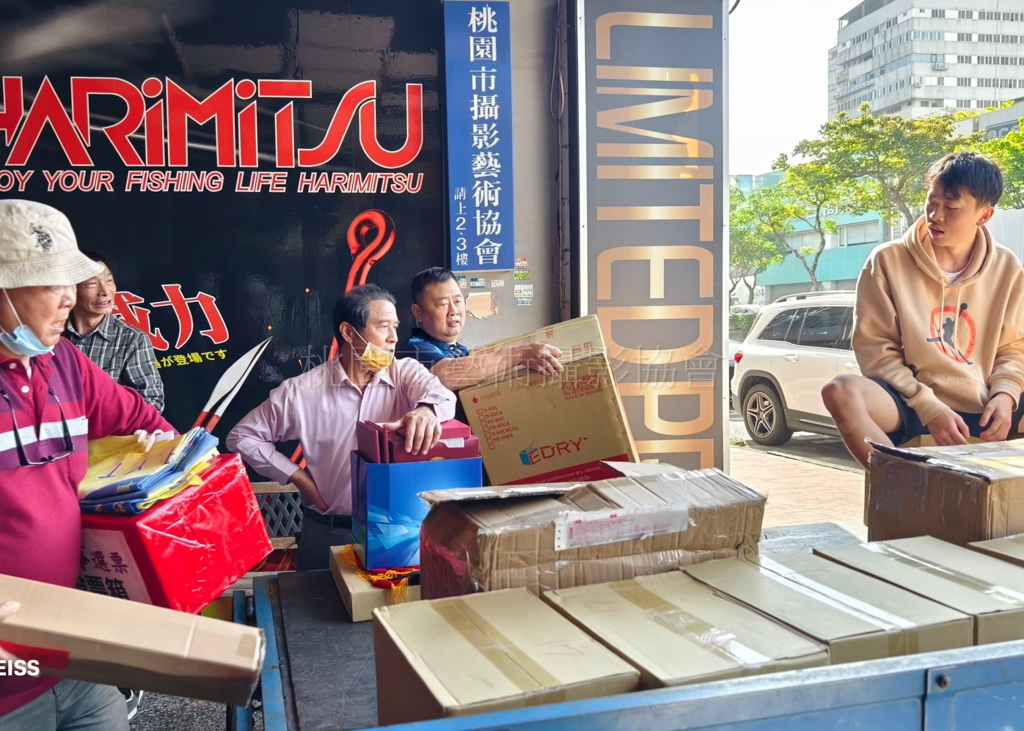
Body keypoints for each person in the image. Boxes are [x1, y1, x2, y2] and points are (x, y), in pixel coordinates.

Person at [0, 200, 173, 731]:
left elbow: (150, 426)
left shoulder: (64, 363)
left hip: (72, 653)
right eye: (50, 282)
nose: (70, 298)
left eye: (70, 281)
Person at [227, 284, 455, 570]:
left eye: (395, 327)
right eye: (383, 326)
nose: (393, 338)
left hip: (400, 533)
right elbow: (242, 437)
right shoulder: (302, 391)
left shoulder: (405, 373)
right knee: (318, 597)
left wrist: (426, 410)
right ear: (348, 332)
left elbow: (443, 397)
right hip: (329, 531)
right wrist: (298, 477)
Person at [822, 152, 1024, 470]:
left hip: (985, 398)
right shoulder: (887, 260)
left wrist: (1006, 395)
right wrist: (929, 406)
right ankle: (899, 486)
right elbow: (876, 352)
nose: (935, 215)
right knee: (841, 391)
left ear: (984, 215)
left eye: (951, 207)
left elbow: (1013, 347)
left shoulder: (1007, 266)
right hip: (912, 400)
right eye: (931, 202)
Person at [399, 267, 563, 390]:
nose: (454, 311)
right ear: (418, 313)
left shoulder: (462, 350)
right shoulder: (413, 349)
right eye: (443, 304)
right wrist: (519, 354)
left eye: (457, 301)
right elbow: (446, 375)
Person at [63, 250, 164, 412]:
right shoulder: (51, 334)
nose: (105, 291)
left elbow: (152, 402)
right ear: (70, 290)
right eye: (92, 284)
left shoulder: (132, 339)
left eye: (109, 281)